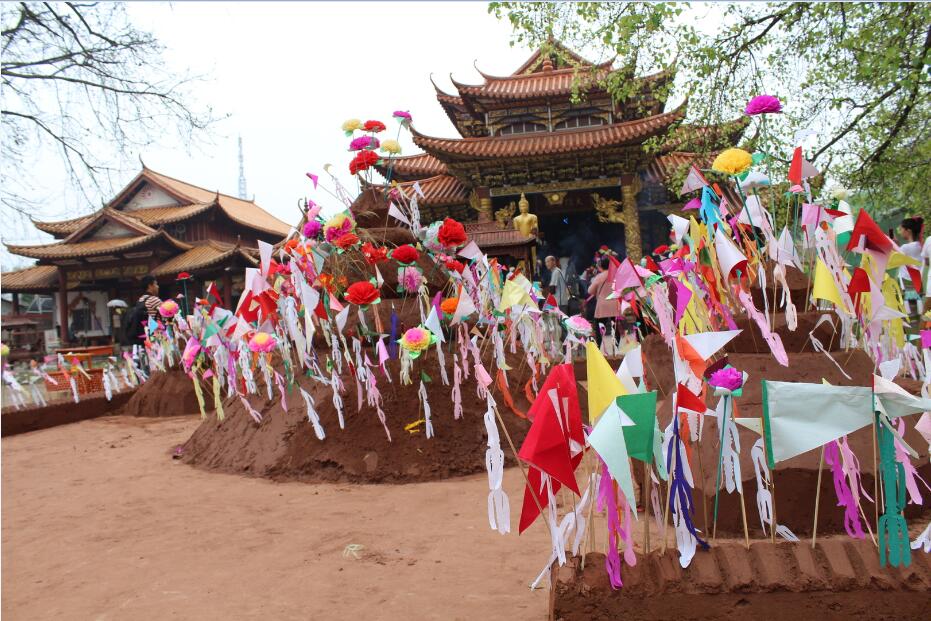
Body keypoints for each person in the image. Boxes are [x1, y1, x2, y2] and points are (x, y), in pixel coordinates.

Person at [588, 256, 621, 346]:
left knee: (600, 328)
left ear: (601, 266)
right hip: (614, 305)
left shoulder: (599, 277)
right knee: (616, 328)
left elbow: (590, 291)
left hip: (602, 306)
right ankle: (617, 347)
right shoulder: (616, 275)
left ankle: (599, 346)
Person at [898, 217, 923, 315]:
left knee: (913, 317)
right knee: (924, 316)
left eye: (901, 229)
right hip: (919, 284)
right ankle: (926, 330)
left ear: (908, 231)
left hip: (909, 286)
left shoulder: (905, 248)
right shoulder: (919, 245)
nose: (900, 232)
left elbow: (893, 256)